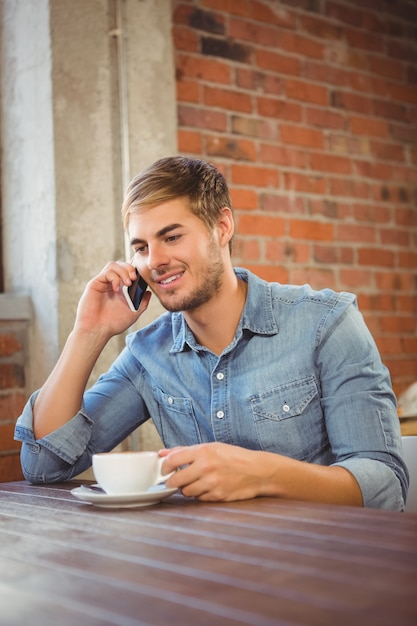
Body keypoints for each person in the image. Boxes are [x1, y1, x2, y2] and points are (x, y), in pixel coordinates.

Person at [15, 156, 408, 510]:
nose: (155, 262)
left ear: (222, 227)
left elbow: (385, 484)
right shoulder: (147, 354)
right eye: (141, 247)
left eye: (171, 237)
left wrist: (262, 474)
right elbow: (44, 465)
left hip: (321, 567)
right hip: (202, 569)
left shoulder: (326, 323)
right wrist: (88, 332)